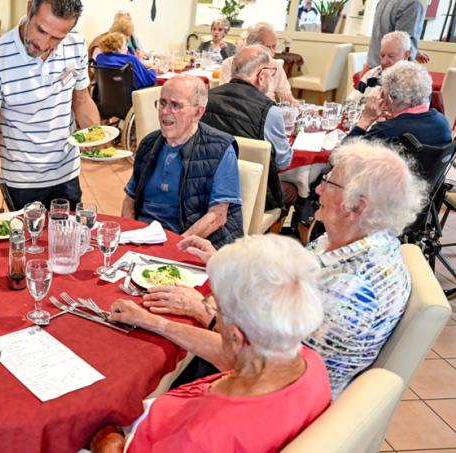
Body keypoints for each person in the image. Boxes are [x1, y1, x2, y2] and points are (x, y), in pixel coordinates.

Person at [133, 140, 426, 399]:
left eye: (329, 182)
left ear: (356, 207)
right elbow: (283, 282)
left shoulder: (348, 291)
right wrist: (222, 264)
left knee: (152, 363)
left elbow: (259, 368)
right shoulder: (362, 239)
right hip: (270, 367)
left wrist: (199, 313)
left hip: (276, 402)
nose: (318, 188)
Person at [93, 235, 330, 452]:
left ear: (237, 337)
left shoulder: (199, 437)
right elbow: (235, 356)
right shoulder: (310, 364)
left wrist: (106, 437)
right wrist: (153, 322)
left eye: (215, 308)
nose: (212, 312)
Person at [0, 0, 100, 212]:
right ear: (29, 10)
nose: (44, 44)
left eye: (56, 38)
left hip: (66, 172)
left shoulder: (76, 45)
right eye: (41, 30)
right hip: (20, 179)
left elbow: (81, 100)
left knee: (67, 240)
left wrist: (96, 135)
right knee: (25, 242)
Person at [122, 75, 243, 248]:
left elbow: (216, 217)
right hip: (143, 239)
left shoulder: (220, 148)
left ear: (198, 112)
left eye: (175, 105)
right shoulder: (149, 143)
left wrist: (173, 248)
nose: (165, 111)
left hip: (189, 243)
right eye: (162, 103)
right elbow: (129, 200)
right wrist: (130, 235)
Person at [202, 45, 293, 212]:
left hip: (204, 187)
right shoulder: (269, 112)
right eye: (271, 74)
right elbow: (283, 161)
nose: (271, 79)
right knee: (295, 189)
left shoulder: (205, 99)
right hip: (250, 196)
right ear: (261, 75)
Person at [348, 61, 452, 146]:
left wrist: (365, 120)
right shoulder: (443, 122)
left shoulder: (386, 131)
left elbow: (340, 158)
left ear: (392, 97)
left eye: (384, 93)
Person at [220, 22, 297, 105]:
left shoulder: (275, 65)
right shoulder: (230, 64)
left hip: (268, 111)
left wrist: (301, 108)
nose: (272, 52)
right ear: (251, 46)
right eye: (267, 47)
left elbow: (287, 97)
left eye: (274, 46)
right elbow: (226, 97)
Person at [365, 0, 429, 73]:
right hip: (392, 74)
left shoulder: (382, 2)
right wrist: (409, 53)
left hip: (374, 70)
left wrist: (415, 52)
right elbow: (400, 43)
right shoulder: (412, 4)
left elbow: (384, 36)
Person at [348, 31, 411, 101]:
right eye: (382, 55)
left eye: (391, 56)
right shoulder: (372, 75)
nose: (383, 62)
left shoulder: (413, 82)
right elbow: (350, 102)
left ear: (406, 54)